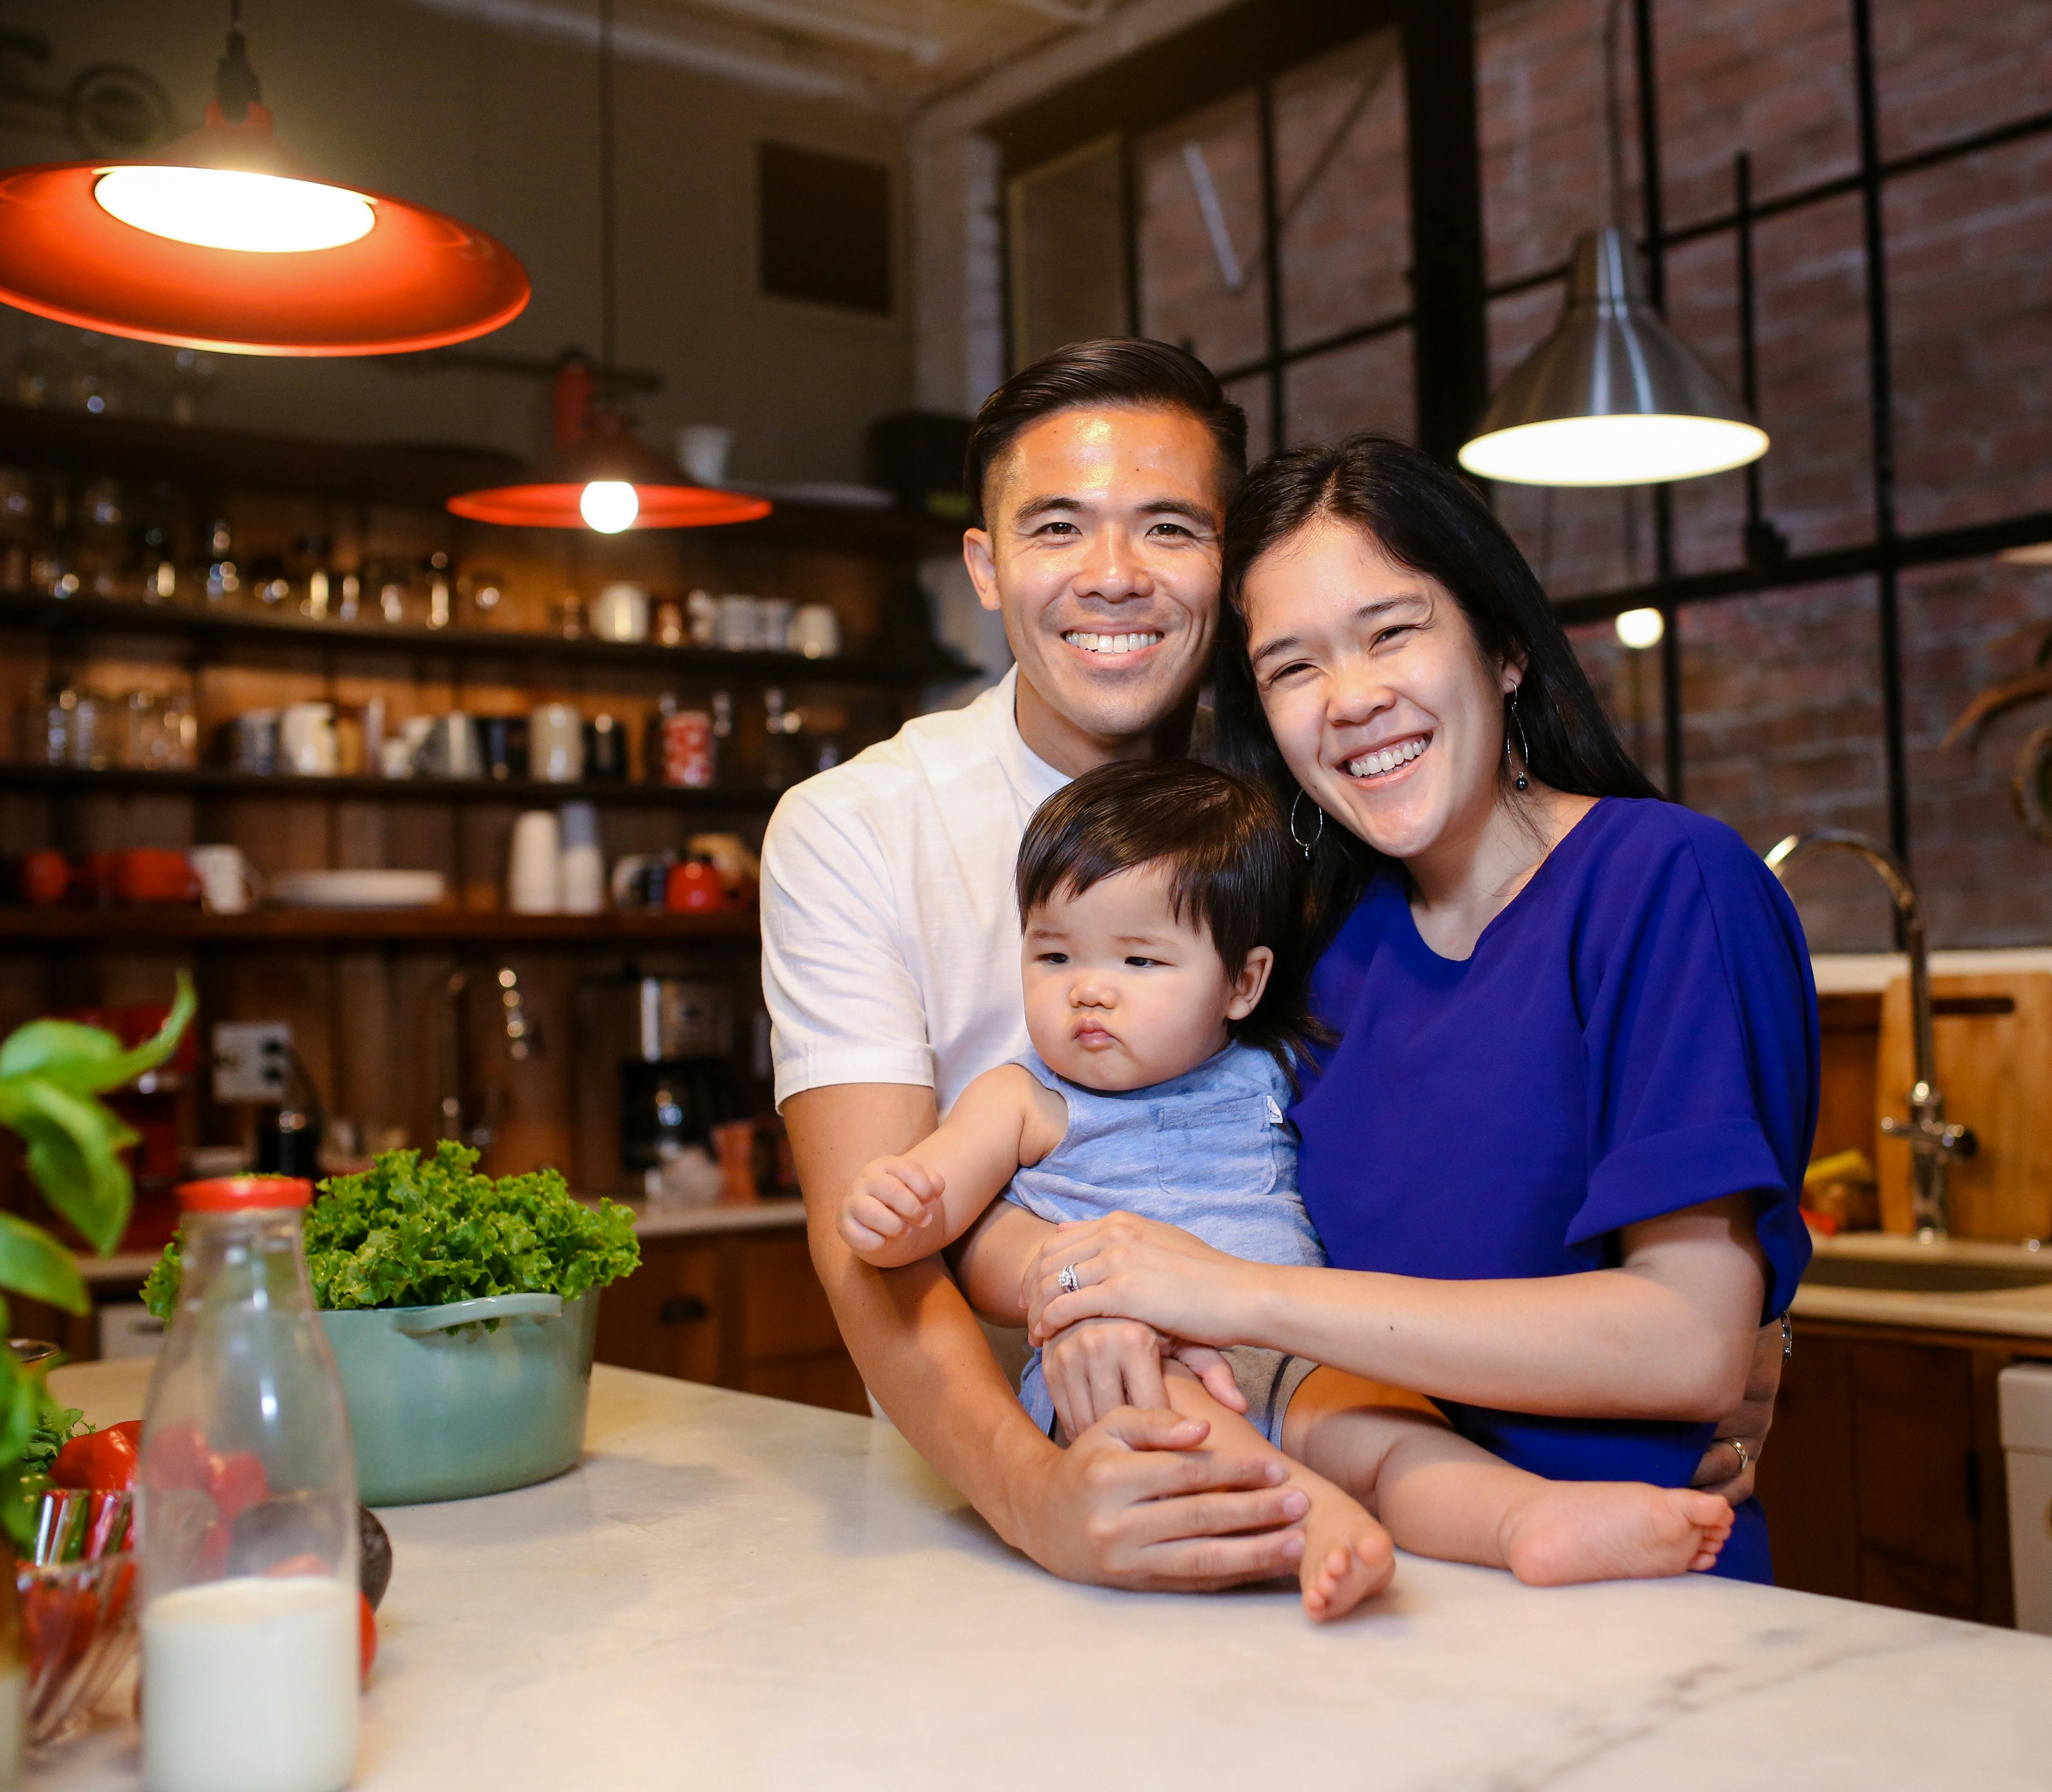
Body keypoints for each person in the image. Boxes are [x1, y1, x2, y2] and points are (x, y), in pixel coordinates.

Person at [762, 341, 1778, 1593]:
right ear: (985, 564)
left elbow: (1632, 1234)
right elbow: (884, 1227)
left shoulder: (1320, 837)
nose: (1115, 576)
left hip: (1414, 1508)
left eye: (1171, 529)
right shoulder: (865, 826)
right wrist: (1058, 1419)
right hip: (1037, 1507)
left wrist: (1727, 1327)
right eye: (1060, 529)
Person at [1016, 434, 1817, 1582]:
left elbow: (1690, 1346)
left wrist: (1231, 1294)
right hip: (1349, 1574)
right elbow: (1166, 1179)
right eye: (1292, 668)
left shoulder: (1662, 880)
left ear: (1501, 647)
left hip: (1623, 1600)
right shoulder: (1314, 953)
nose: (1351, 700)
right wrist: (1110, 1311)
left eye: (1392, 632)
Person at [840, 760, 1735, 1617]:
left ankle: (1524, 1520)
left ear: (1243, 983)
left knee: (1394, 1435)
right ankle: (1317, 1524)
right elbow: (936, 1207)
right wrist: (897, 1207)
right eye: (1056, 958)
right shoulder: (1024, 1097)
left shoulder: (1269, 1069)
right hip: (1126, 1365)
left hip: (1294, 1350)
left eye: (1140, 963)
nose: (1090, 995)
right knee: (1181, 1429)